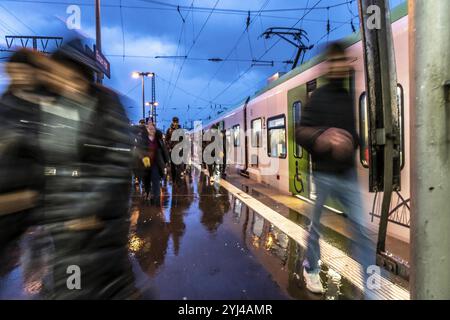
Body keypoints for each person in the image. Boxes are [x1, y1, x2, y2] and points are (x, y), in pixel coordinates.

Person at [296, 42, 375, 297]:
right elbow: (299, 132)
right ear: (329, 66)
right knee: (315, 228)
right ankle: (310, 270)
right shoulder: (317, 97)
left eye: (344, 61)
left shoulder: (348, 97)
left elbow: (352, 134)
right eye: (336, 62)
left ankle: (371, 287)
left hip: (347, 175)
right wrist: (324, 136)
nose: (341, 66)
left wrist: (354, 141)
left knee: (361, 231)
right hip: (321, 174)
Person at [139, 121, 169, 204]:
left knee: (156, 179)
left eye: (153, 128)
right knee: (146, 180)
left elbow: (164, 150)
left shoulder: (158, 139)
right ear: (147, 130)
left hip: (156, 163)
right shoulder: (143, 138)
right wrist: (142, 157)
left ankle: (156, 198)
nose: (151, 130)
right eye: (149, 128)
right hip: (145, 163)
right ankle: (148, 192)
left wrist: (166, 161)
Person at [165, 116, 183, 182]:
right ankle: (174, 179)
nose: (175, 123)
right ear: (172, 122)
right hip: (172, 149)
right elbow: (166, 140)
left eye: (176, 122)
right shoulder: (169, 130)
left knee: (178, 164)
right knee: (172, 165)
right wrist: (168, 147)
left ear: (178, 122)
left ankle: (178, 178)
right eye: (174, 122)